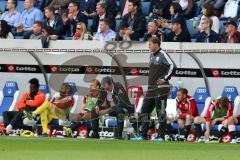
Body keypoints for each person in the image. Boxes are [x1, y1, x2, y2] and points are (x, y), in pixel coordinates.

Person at [132, 37, 176, 141]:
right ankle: (143, 135)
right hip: (151, 89)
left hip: (161, 88)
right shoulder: (152, 56)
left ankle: (160, 136)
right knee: (144, 111)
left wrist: (165, 78)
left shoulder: (163, 54)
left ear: (156, 44)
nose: (149, 46)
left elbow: (173, 66)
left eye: (150, 44)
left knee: (161, 112)